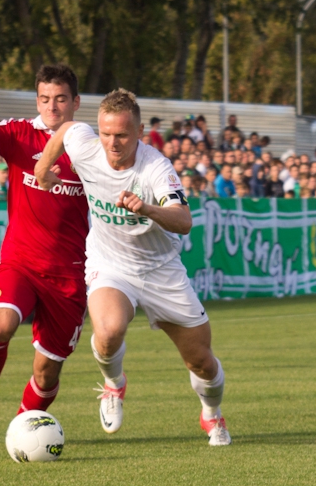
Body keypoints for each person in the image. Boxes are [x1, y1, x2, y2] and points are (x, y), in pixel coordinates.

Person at [34, 88, 230, 446]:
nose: (112, 142)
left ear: (139, 133)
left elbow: (184, 220)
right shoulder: (85, 143)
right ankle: (114, 385)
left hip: (161, 270)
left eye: (122, 135)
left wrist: (147, 209)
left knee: (202, 362)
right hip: (111, 264)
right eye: (106, 133)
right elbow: (64, 131)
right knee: (107, 332)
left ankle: (212, 415)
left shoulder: (155, 167)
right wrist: (42, 167)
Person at [0, 64, 89, 439]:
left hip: (69, 275)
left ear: (75, 102)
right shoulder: (20, 134)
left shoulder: (91, 149)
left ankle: (20, 428)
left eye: (60, 99)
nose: (52, 107)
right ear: (37, 101)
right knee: (0, 326)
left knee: (47, 371)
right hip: (21, 263)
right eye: (45, 99)